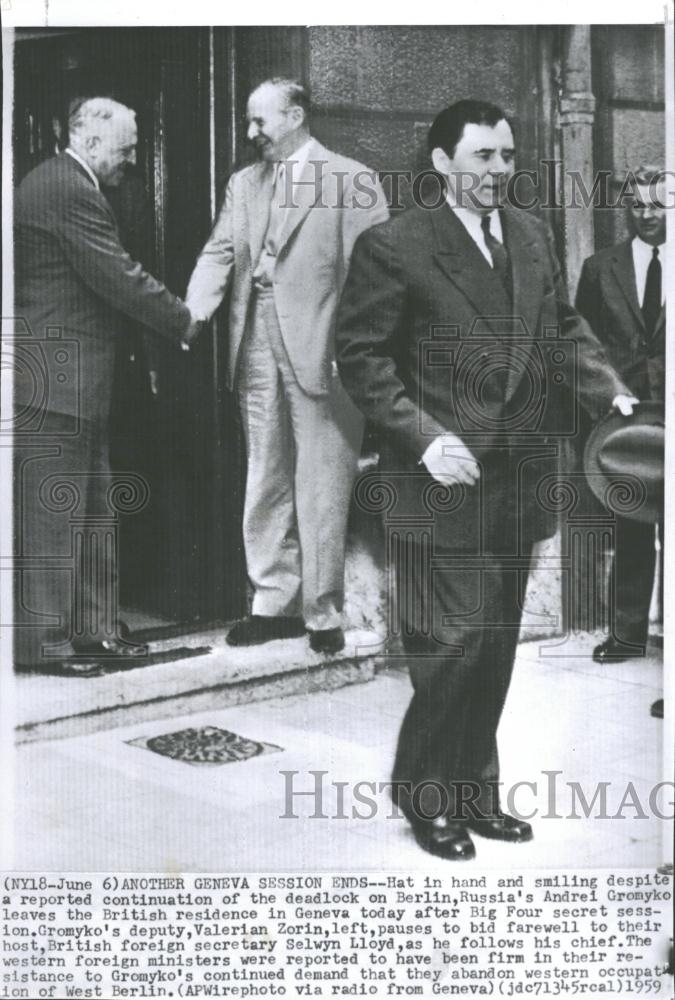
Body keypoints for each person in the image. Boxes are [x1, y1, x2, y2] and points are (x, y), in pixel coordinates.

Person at [336, 99, 636, 859]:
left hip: (520, 475)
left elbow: (562, 328)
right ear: (441, 163)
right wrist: (423, 438)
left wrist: (609, 391)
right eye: (481, 157)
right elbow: (360, 360)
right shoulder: (393, 246)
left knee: (496, 641)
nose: (497, 171)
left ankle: (474, 790)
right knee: (456, 639)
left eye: (505, 157)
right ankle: (425, 794)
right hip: (438, 478)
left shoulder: (530, 237)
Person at [185, 78, 388, 654]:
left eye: (259, 121)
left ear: (295, 116)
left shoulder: (352, 179)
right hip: (255, 339)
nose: (251, 134)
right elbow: (220, 251)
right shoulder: (244, 184)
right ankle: (272, 602)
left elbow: (372, 281)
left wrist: (352, 352)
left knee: (323, 478)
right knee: (265, 471)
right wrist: (195, 308)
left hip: (326, 348)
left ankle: (323, 613)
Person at [14, 97, 200, 675]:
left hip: (77, 384)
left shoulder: (74, 183)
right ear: (91, 143)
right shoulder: (65, 187)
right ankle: (42, 644)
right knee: (53, 518)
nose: (133, 159)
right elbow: (116, 274)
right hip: (53, 384)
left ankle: (94, 632)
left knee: (94, 514)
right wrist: (183, 318)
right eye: (126, 148)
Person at [575, 165, 666, 665]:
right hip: (627, 420)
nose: (647, 213)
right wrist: (603, 399)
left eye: (659, 203)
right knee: (632, 525)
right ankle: (627, 634)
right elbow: (582, 342)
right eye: (638, 204)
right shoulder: (599, 268)